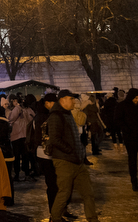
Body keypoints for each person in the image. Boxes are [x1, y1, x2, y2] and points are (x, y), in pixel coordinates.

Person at [45, 91, 98, 222]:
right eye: (71, 99)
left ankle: (93, 219)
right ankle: (55, 218)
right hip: (64, 161)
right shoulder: (56, 116)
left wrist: (78, 150)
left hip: (77, 160)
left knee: (88, 193)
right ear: (62, 100)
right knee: (64, 193)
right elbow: (55, 139)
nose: (74, 101)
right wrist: (70, 150)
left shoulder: (67, 113)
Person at [31, 93, 59, 211]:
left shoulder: (38, 116)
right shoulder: (46, 117)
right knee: (53, 184)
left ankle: (56, 210)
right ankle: (55, 212)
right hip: (47, 153)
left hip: (42, 153)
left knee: (53, 184)